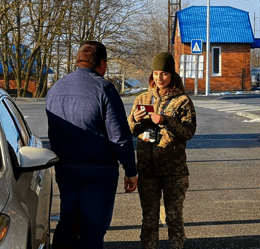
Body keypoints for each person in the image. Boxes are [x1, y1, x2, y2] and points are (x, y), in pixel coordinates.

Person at [46, 41, 138, 249]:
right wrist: (130, 170)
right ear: (102, 64)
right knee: (93, 229)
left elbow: (53, 131)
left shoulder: (56, 88)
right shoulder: (104, 89)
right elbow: (119, 137)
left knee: (68, 222)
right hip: (98, 172)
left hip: (66, 169)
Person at [127, 52, 197, 249]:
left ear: (172, 75)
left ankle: (177, 246)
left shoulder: (182, 101)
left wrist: (166, 121)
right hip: (148, 170)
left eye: (164, 73)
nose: (159, 78)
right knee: (149, 218)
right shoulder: (143, 98)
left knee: (174, 217)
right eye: (156, 73)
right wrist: (135, 120)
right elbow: (130, 130)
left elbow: (188, 132)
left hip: (174, 172)